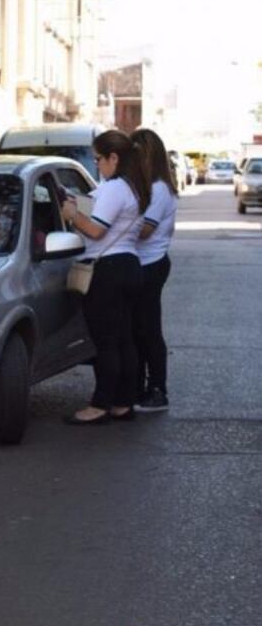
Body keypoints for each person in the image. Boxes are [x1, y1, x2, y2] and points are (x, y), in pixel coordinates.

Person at [60, 130, 150, 424]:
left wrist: (72, 214)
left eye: (98, 159)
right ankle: (123, 403)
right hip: (129, 265)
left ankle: (100, 405)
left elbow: (96, 230)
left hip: (108, 271)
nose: (97, 165)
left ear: (114, 158)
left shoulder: (115, 188)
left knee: (105, 341)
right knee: (124, 339)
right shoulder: (134, 187)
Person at [130, 129, 178, 413]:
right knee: (138, 330)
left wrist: (113, 227)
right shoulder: (148, 186)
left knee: (148, 330)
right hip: (143, 263)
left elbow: (145, 230)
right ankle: (139, 388)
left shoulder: (159, 189)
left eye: (136, 155)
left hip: (151, 264)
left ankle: (158, 390)